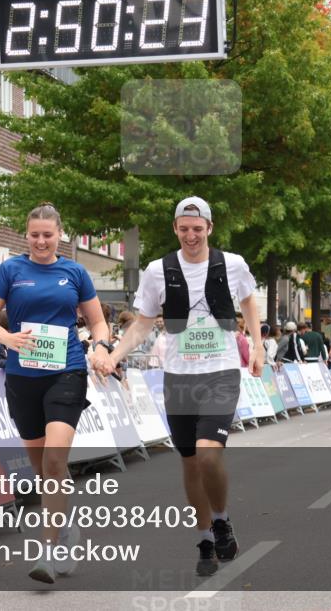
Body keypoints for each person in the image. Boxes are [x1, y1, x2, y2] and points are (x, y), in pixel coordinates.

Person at [101, 196, 263, 577]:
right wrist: (115, 353)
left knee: (209, 456)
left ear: (209, 228)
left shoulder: (232, 264)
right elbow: (143, 323)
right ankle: (206, 536)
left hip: (221, 372)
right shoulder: (158, 270)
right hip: (179, 377)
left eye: (198, 228)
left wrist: (257, 346)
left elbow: (250, 302)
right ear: (175, 229)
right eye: (184, 229)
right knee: (190, 461)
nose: (191, 235)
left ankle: (221, 519)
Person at [0, 203, 112, 584]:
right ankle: (65, 525)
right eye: (34, 234)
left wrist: (100, 347)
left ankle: (48, 552)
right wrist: (8, 338)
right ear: (26, 234)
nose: (40, 241)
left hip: (66, 371)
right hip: (23, 375)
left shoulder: (75, 272)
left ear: (59, 235)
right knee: (42, 469)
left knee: (54, 461)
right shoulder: (10, 270)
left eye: (47, 235)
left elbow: (98, 322)